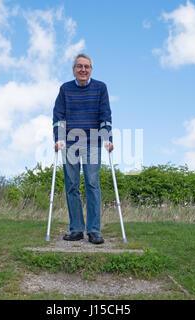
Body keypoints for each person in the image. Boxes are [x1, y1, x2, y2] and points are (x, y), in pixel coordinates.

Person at [52, 53, 114, 245]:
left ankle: (94, 231)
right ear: (74, 69)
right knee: (71, 185)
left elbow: (105, 115)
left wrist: (107, 138)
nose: (83, 70)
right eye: (79, 66)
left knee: (92, 184)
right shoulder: (65, 89)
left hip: (93, 140)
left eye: (86, 66)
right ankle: (76, 229)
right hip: (70, 141)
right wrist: (59, 139)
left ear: (91, 69)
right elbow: (58, 116)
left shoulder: (100, 88)